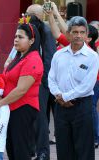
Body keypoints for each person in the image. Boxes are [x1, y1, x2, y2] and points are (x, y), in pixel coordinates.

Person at [0, 19, 44, 160]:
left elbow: (21, 90)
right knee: (11, 149)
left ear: (31, 41)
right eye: (15, 36)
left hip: (23, 109)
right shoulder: (18, 57)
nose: (16, 40)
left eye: (20, 37)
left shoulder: (33, 59)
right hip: (11, 108)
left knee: (21, 151)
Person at [48, 16, 99, 160]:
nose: (78, 35)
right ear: (69, 33)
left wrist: (65, 97)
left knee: (83, 150)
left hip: (82, 106)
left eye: (82, 32)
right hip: (61, 108)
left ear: (86, 34)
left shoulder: (92, 57)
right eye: (75, 32)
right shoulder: (58, 55)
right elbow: (51, 78)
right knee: (63, 148)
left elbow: (88, 85)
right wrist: (59, 95)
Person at [26, 4, 57, 159]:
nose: (25, 17)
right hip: (29, 81)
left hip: (41, 82)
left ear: (37, 16)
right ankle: (31, 148)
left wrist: (43, 82)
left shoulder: (45, 31)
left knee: (40, 118)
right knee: (32, 117)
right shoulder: (27, 31)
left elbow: (49, 57)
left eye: (28, 14)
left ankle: (43, 152)